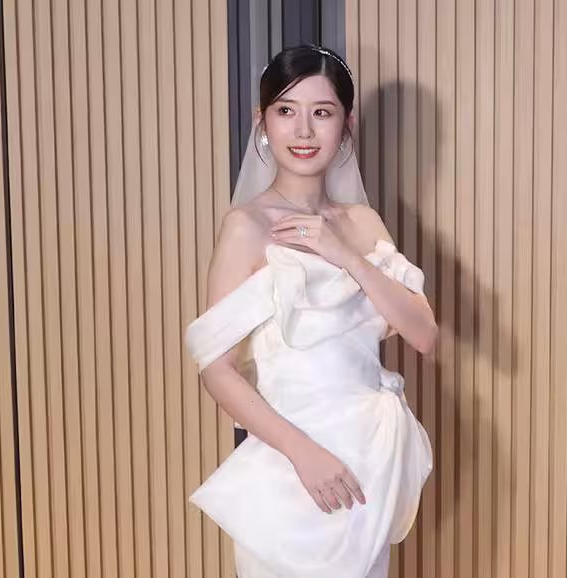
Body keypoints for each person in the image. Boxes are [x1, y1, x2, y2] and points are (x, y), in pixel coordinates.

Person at [184, 45, 437, 578]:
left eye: (321, 112)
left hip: (368, 464)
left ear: (347, 124)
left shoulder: (363, 224)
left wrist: (345, 255)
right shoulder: (245, 228)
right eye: (286, 110)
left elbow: (424, 335)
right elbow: (216, 370)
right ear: (262, 122)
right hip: (291, 466)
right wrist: (303, 454)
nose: (303, 130)